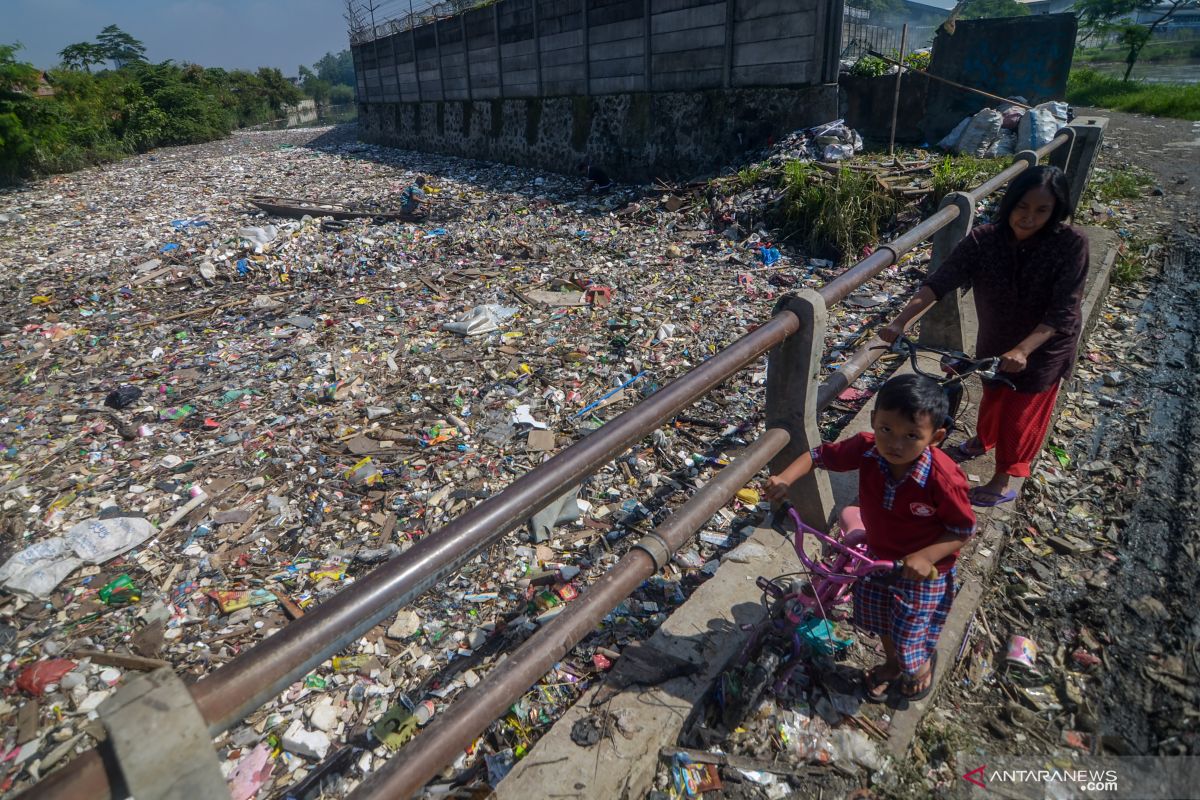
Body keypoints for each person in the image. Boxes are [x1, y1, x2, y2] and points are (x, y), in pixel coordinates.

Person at [881, 165, 1088, 507]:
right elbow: (939, 282)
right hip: (996, 338)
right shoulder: (984, 240)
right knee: (992, 395)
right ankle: (983, 439)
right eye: (1022, 207)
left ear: (1056, 212)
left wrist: (1023, 350)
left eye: (1041, 210)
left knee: (1019, 415)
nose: (1028, 218)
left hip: (1044, 346)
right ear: (1010, 204)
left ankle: (1002, 479)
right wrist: (900, 322)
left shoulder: (1070, 245)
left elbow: (1062, 311)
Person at [764, 374, 976, 701]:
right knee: (882, 622)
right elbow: (818, 456)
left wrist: (926, 557)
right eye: (886, 430)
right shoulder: (866, 449)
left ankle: (918, 666)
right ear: (874, 420)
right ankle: (892, 664)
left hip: (923, 572)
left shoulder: (943, 478)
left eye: (911, 436)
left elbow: (962, 529)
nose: (895, 444)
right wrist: (785, 479)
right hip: (876, 558)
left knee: (908, 634)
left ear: (936, 437)